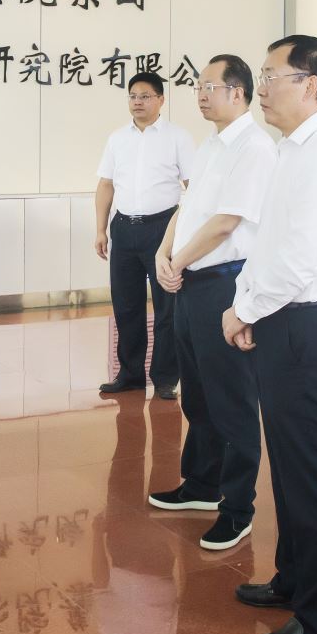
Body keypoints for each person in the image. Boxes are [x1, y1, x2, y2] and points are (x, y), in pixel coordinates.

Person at [225, 35, 317, 634]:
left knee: (311, 473)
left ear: (311, 84)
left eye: (270, 76)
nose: (261, 88)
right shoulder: (293, 148)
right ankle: (292, 577)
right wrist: (248, 299)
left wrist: (245, 309)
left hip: (309, 325)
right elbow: (269, 243)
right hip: (282, 317)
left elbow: (301, 257)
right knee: (285, 464)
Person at [149, 55, 276, 550]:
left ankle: (238, 507)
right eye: (198, 87)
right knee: (198, 392)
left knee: (232, 396)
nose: (200, 95)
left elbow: (226, 222)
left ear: (237, 93)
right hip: (191, 279)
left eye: (209, 87)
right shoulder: (210, 145)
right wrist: (164, 252)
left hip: (224, 281)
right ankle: (202, 483)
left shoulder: (255, 148)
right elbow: (187, 207)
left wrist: (176, 261)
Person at [95, 72, 196, 399]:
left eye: (145, 96)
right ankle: (130, 374)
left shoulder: (178, 137)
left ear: (161, 100)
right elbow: (105, 184)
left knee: (167, 307)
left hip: (162, 229)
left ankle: (165, 377)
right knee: (126, 306)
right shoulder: (117, 138)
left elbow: (194, 189)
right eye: (133, 96)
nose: (137, 102)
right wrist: (100, 229)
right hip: (124, 228)